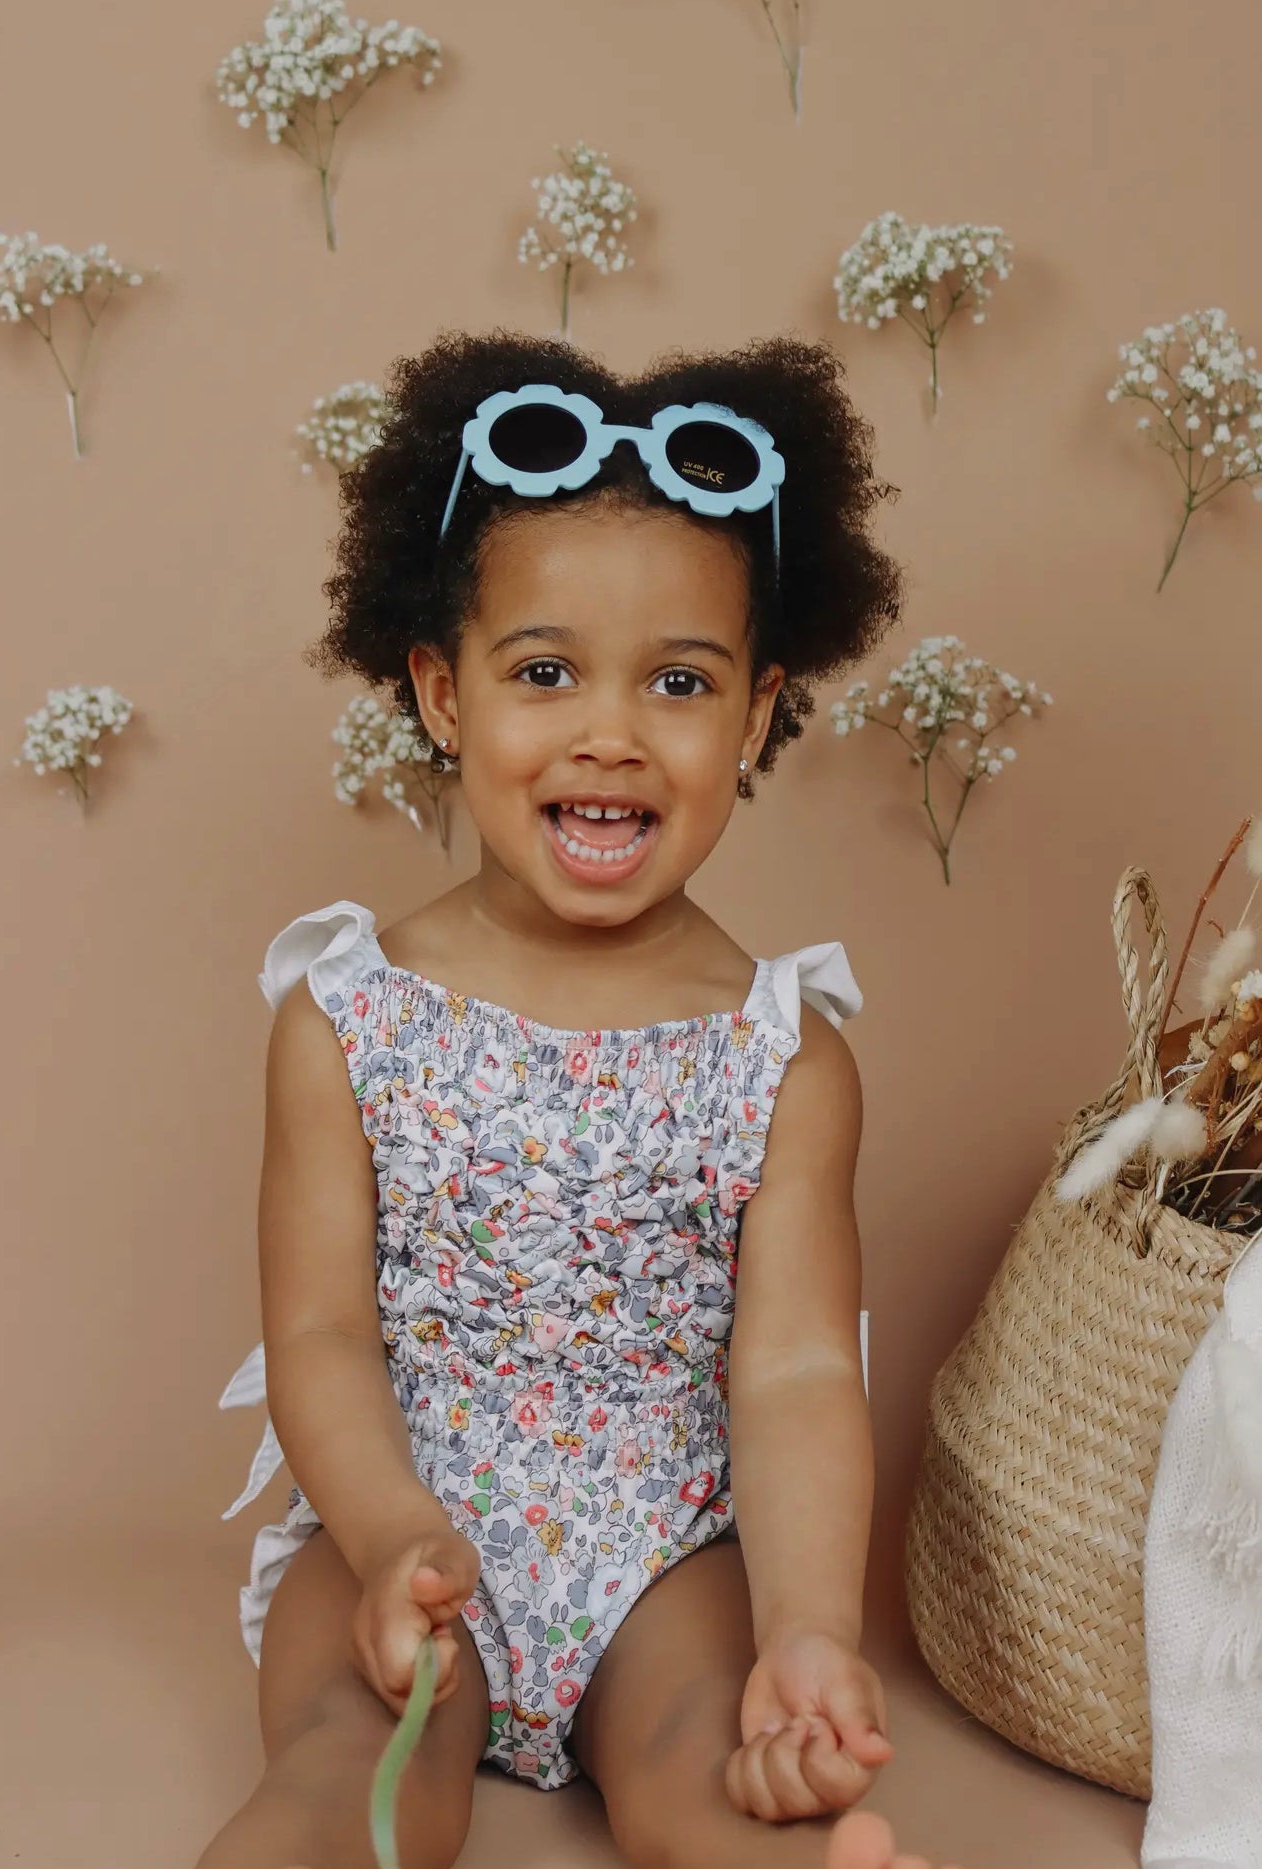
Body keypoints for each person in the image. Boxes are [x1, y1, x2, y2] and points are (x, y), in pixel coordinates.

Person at [198, 328, 963, 1869]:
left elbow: (801, 1367)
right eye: (543, 672)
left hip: (662, 1548)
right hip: (404, 1519)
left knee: (696, 1759)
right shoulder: (347, 1016)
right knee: (360, 1750)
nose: (608, 730)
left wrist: (805, 1632)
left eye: (677, 682)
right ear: (439, 692)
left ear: (751, 717)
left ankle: (790, 1844)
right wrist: (392, 1537)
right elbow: (323, 1335)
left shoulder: (781, 1051)